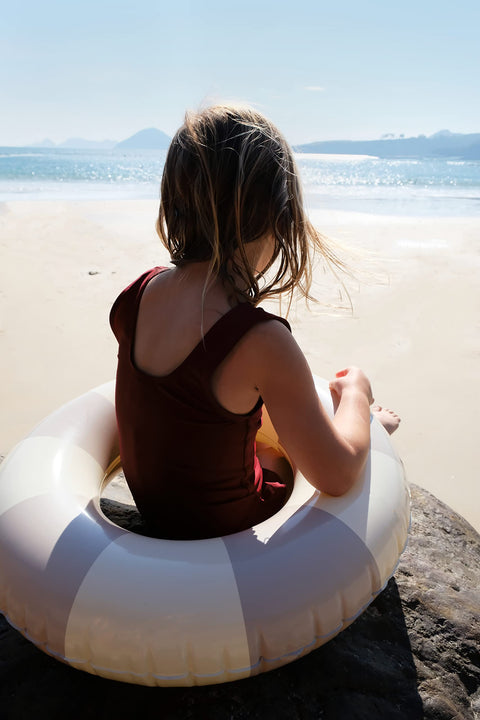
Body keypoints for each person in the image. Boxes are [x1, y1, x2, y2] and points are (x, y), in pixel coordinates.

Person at [110, 105, 400, 540]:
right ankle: (366, 415)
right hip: (233, 525)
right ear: (280, 219)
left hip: (157, 512)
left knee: (256, 409)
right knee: (291, 452)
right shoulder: (260, 341)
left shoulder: (137, 295)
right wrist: (357, 398)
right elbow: (337, 476)